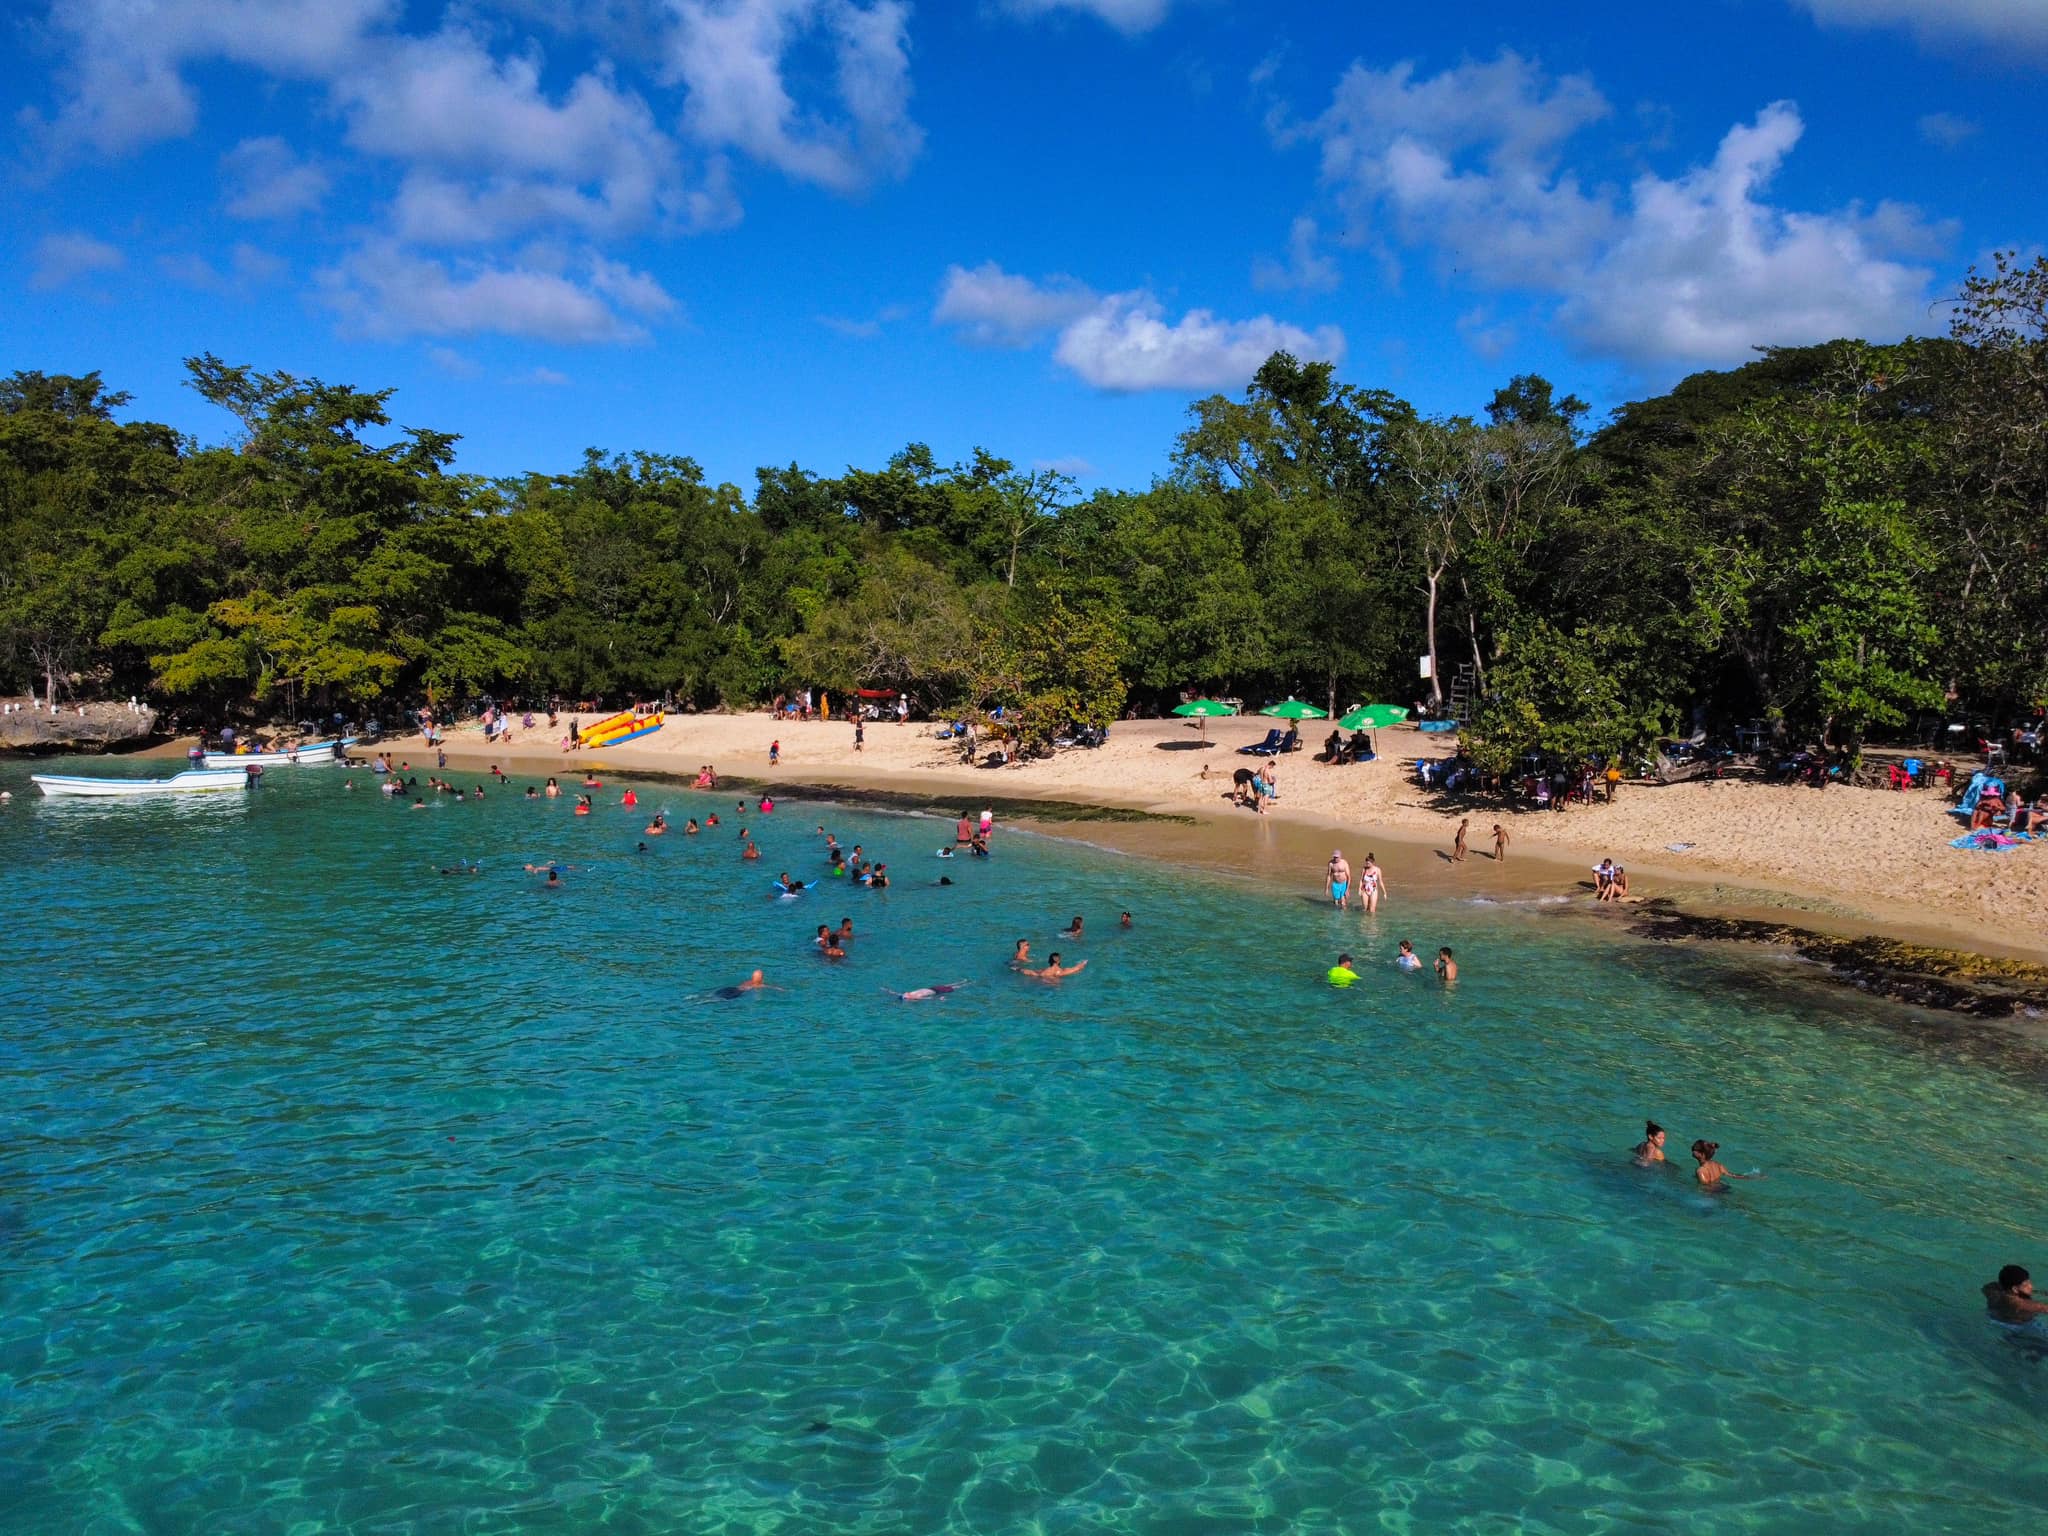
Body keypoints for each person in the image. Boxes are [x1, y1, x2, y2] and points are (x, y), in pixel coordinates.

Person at [1983, 1265, 2048, 1323]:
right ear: (2015, 1289)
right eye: (2026, 1285)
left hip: (1996, 1319)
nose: (2031, 1286)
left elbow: (1987, 1287)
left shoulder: (1992, 1289)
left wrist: (2036, 1292)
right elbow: (2045, 1308)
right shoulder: (2019, 1303)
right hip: (2020, 1327)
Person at [1691, 1139, 1762, 1188]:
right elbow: (1734, 1176)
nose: (1692, 1150)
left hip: (1715, 1195)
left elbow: (1705, 1189)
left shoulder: (1700, 1171)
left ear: (1702, 1154)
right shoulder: (1718, 1165)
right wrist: (1753, 1176)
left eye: (1695, 1149)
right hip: (1725, 1188)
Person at [1021, 951, 1087, 981]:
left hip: (1046, 986)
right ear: (1059, 961)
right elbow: (1077, 967)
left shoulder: (1044, 972)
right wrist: (1084, 962)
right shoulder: (1064, 971)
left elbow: (1029, 972)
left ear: (1049, 961)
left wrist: (1018, 969)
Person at [890, 982, 968, 1001]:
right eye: (906, 996)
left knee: (948, 985)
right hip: (937, 991)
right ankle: (966, 983)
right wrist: (940, 998)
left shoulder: (910, 994)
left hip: (932, 988)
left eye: (905, 995)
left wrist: (888, 991)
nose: (906, 994)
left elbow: (896, 993)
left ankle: (963, 981)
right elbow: (930, 999)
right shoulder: (917, 997)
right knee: (955, 987)